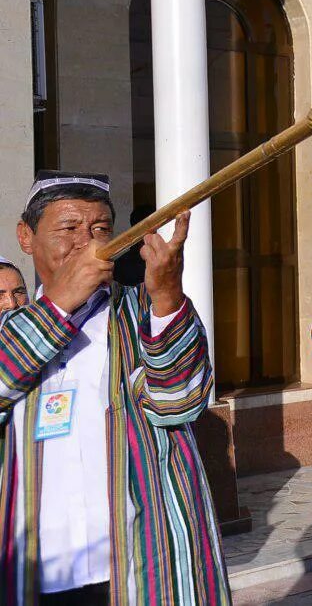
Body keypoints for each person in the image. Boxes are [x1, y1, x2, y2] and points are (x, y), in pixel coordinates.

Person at [0, 170, 227, 605]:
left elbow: (179, 401)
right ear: (25, 237)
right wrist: (60, 302)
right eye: (68, 229)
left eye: (101, 229)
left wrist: (167, 296)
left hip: (142, 564)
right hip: (36, 571)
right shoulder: (12, 326)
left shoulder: (148, 311)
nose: (88, 243)